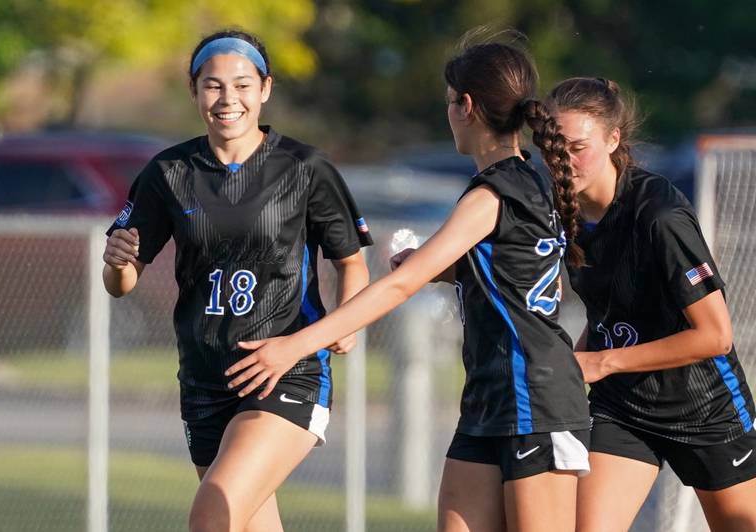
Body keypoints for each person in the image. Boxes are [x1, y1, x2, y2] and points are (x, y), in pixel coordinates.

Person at [227, 34, 591, 532]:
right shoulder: (526, 178)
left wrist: (296, 345)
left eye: (448, 103)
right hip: (490, 396)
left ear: (465, 106)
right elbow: (507, 269)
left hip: (538, 397)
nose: (447, 115)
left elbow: (399, 289)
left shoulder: (493, 195)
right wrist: (440, 265)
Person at [101, 29, 372, 532]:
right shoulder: (168, 172)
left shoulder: (305, 168)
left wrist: (344, 320)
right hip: (204, 379)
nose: (228, 99)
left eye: (243, 85)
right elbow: (122, 282)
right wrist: (118, 263)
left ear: (265, 89)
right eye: (214, 85)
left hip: (285, 371)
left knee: (214, 512)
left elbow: (350, 261)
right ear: (194, 90)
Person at [547, 77, 756, 531]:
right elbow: (611, 312)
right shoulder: (563, 213)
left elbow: (715, 336)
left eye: (577, 147)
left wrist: (600, 361)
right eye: (553, 147)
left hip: (704, 407)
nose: (563, 161)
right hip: (622, 407)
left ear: (613, 139)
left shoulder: (659, 214)